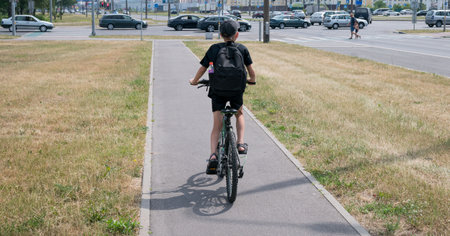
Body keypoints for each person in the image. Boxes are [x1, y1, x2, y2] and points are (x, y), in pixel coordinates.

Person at [189, 20, 256, 174]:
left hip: (217, 91)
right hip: (236, 91)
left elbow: (204, 68)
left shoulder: (214, 49)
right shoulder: (243, 49)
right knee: (239, 114)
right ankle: (239, 143)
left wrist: (194, 81)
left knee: (216, 126)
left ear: (220, 35)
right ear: (237, 35)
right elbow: (251, 72)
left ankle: (213, 155)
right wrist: (251, 81)